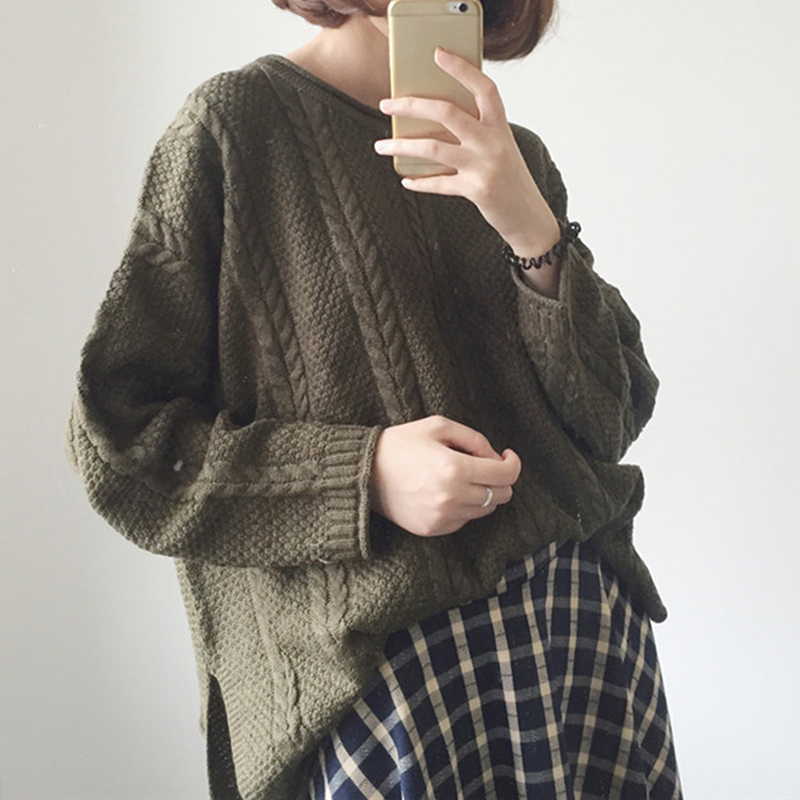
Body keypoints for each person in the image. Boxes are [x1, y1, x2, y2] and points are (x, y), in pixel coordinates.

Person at [65, 0, 682, 796]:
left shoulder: (515, 155)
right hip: (389, 690)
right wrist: (364, 476)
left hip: (582, 641)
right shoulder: (234, 130)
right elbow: (121, 443)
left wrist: (532, 229)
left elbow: (612, 414)